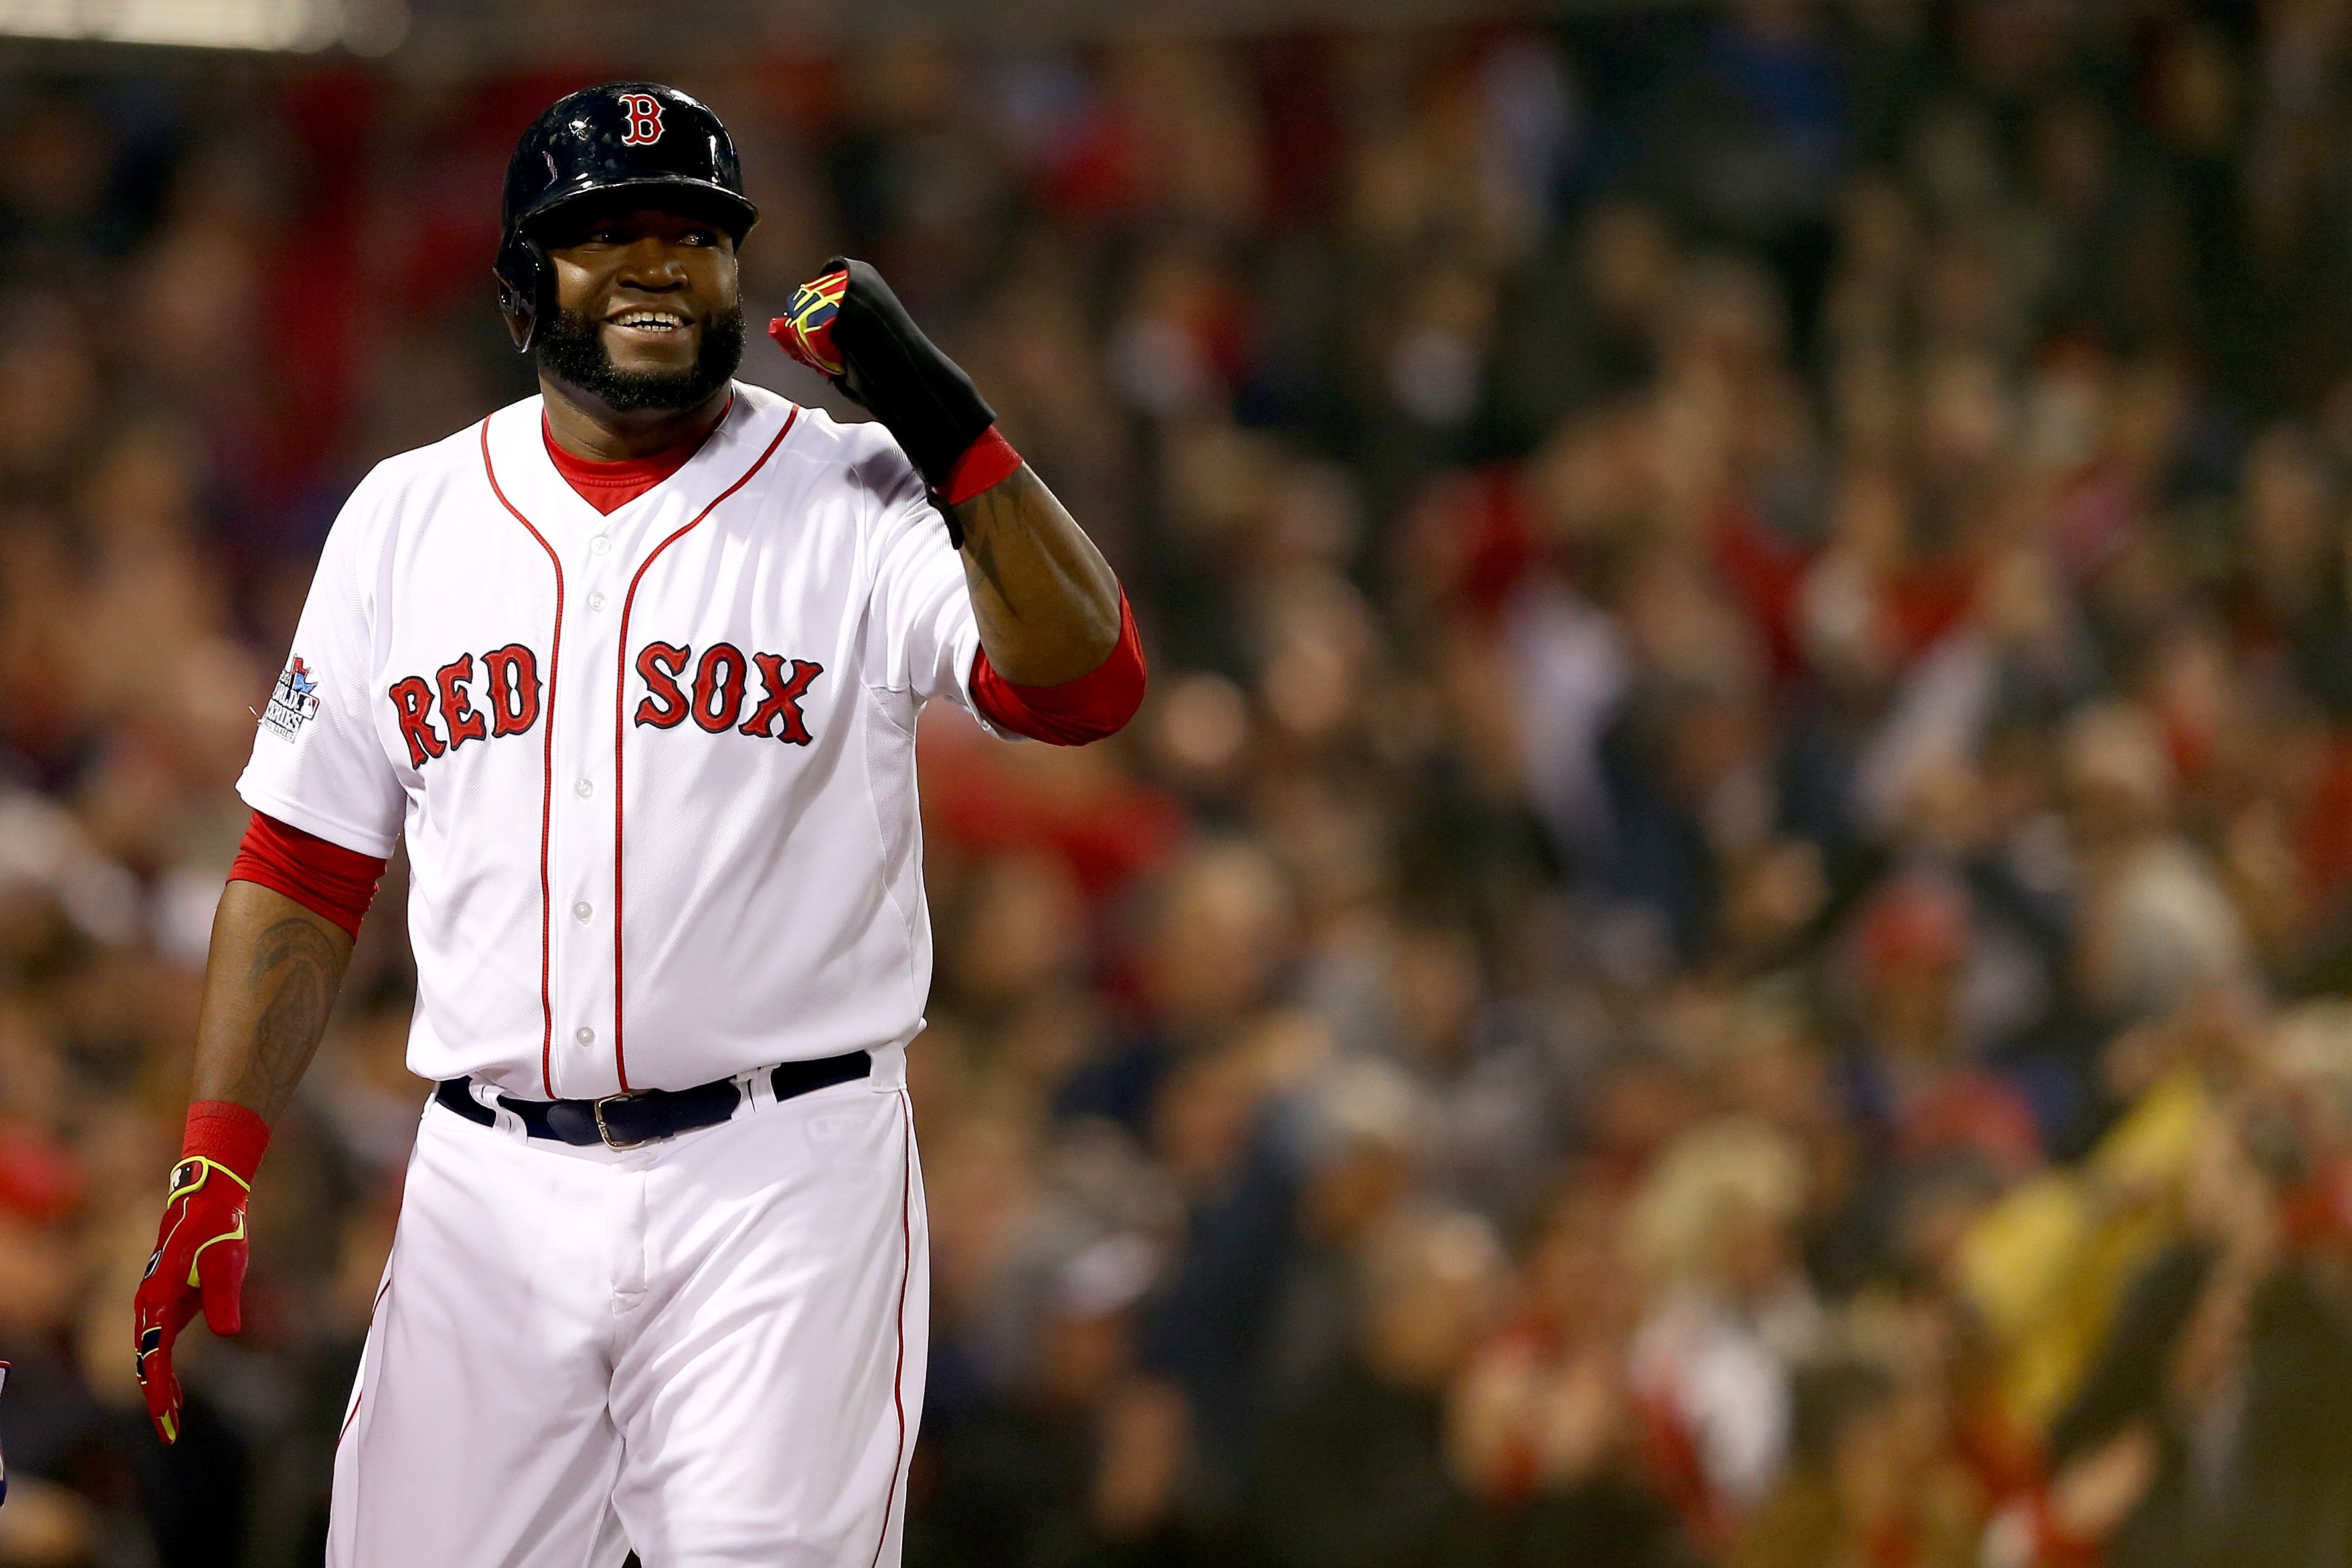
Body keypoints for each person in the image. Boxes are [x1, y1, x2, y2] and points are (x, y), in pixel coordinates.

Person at [126, 82, 1145, 1568]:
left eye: (692, 233)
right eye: (603, 233)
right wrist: (215, 1152)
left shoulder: (852, 488)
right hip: (488, 1183)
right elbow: (302, 858)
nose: (656, 264)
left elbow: (1088, 683)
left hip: (780, 1177)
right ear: (519, 284)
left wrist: (941, 417)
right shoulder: (406, 520)